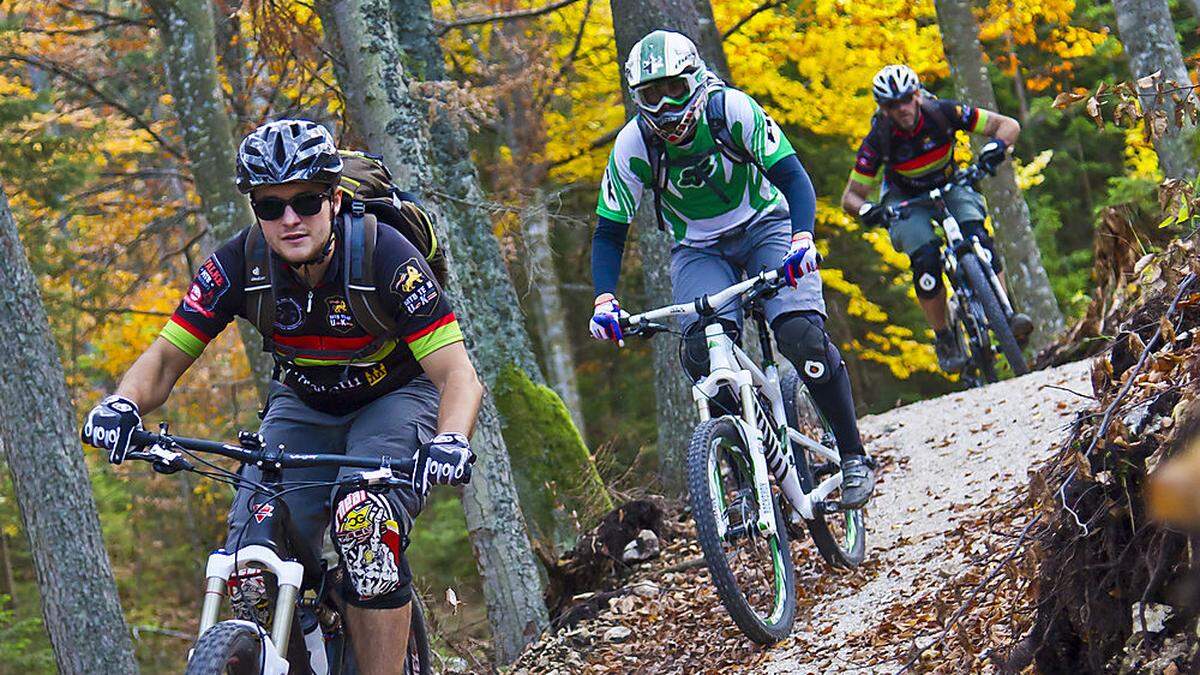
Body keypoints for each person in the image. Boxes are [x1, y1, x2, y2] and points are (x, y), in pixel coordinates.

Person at [81, 119, 482, 673]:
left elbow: (458, 374)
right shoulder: (238, 264)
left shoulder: (385, 256)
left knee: (365, 526)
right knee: (250, 558)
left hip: (394, 395)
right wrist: (122, 404)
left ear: (334, 199)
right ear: (256, 210)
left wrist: (451, 439)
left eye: (307, 201)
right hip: (303, 399)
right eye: (271, 206)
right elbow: (165, 358)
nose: (290, 218)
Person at [588, 30, 874, 508]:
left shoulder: (733, 110)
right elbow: (609, 230)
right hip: (699, 251)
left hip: (768, 227)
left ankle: (852, 457)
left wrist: (803, 238)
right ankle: (748, 469)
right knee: (702, 352)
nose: (663, 109)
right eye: (649, 95)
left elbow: (793, 177)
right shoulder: (632, 146)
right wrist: (604, 298)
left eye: (673, 90)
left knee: (800, 334)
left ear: (695, 80)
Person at [840, 64, 1033, 372]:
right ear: (883, 108)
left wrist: (997, 148)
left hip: (950, 184)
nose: (902, 108)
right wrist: (868, 210)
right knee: (925, 257)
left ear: (917, 95)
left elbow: (1007, 125)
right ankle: (944, 337)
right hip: (906, 200)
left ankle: (1005, 312)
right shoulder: (879, 138)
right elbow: (850, 197)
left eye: (906, 99)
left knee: (979, 236)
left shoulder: (944, 112)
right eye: (892, 105)